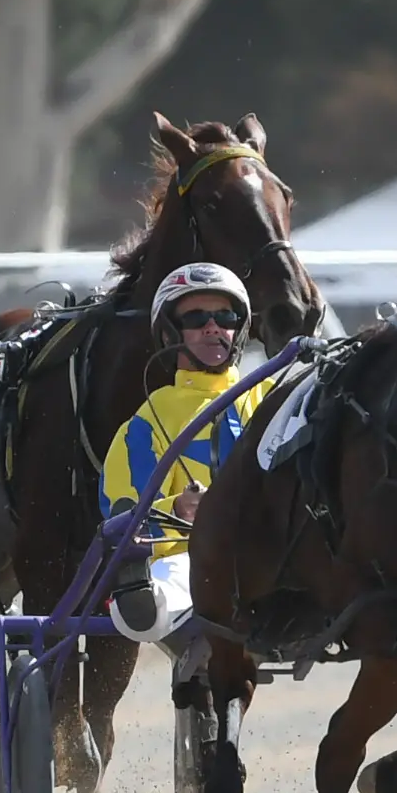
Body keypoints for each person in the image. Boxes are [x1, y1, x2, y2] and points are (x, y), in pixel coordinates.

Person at [98, 263, 266, 649]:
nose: (213, 327)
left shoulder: (272, 396)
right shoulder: (147, 421)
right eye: (196, 318)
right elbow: (121, 507)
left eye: (225, 316)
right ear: (170, 332)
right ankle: (136, 594)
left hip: (270, 556)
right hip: (190, 562)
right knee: (169, 586)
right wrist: (180, 509)